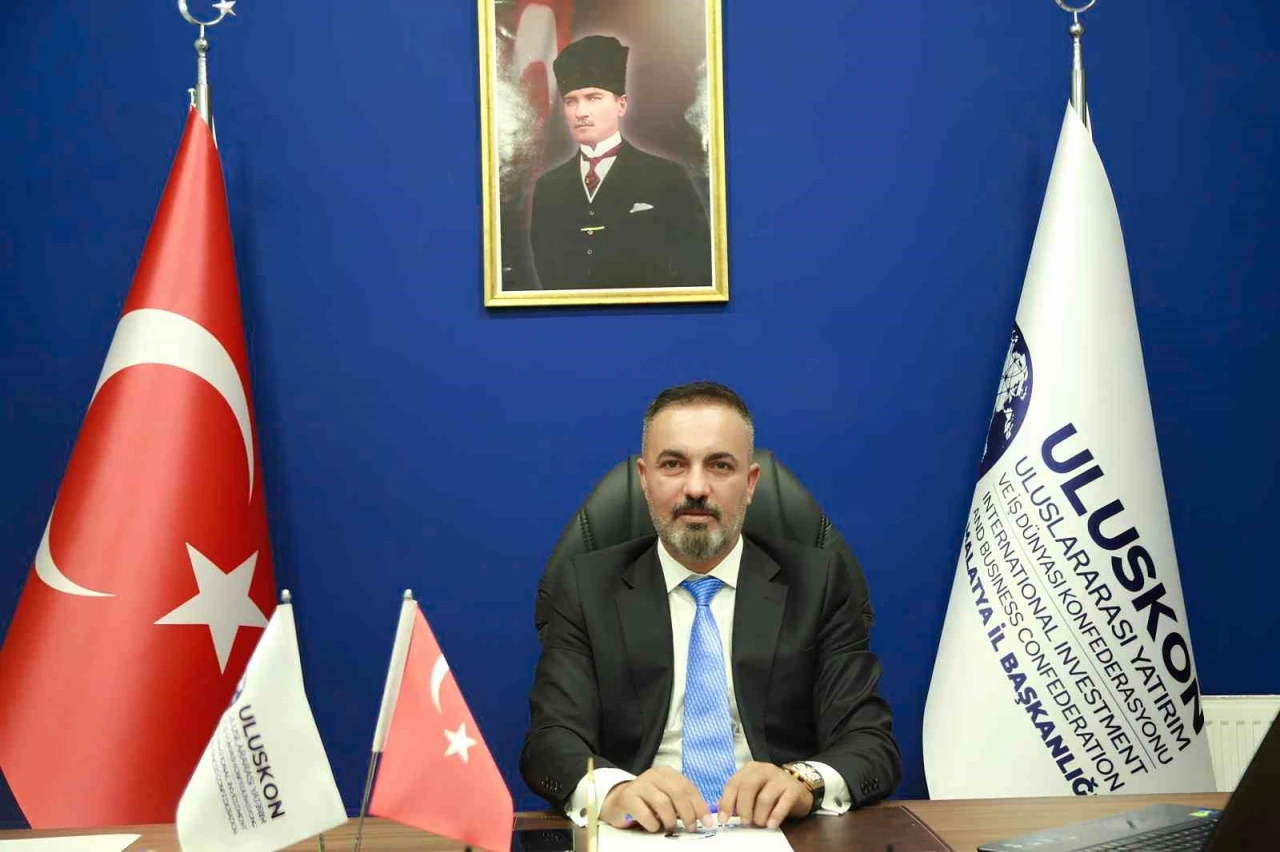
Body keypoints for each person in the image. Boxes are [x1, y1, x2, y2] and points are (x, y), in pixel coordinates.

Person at [520, 382, 900, 833]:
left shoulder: (818, 583)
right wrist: (614, 790)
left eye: (720, 465)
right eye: (673, 464)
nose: (696, 488)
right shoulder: (587, 587)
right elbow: (550, 742)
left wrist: (803, 781)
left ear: (750, 483)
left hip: (779, 833)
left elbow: (870, 742)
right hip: (641, 832)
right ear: (644, 479)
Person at [529, 35, 713, 290]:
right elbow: (547, 273)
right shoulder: (548, 188)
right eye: (571, 101)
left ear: (621, 104)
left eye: (593, 97)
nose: (581, 112)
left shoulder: (667, 177)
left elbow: (697, 269)